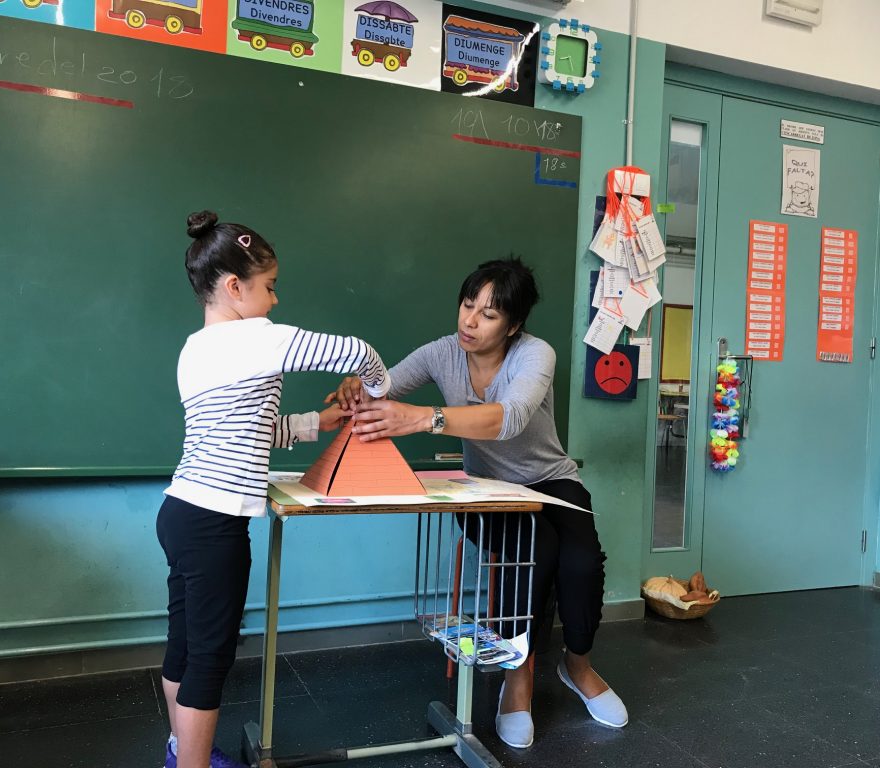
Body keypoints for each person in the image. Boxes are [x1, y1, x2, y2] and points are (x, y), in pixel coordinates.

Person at [328, 257, 626, 749]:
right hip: (485, 489)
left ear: (513, 325)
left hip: (551, 481)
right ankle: (517, 675)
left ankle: (578, 665)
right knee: (535, 550)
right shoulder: (441, 352)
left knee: (582, 561)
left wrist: (423, 418)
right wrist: (356, 389)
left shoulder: (536, 354)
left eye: (488, 314)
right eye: (468, 305)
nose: (470, 321)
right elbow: (382, 387)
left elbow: (508, 418)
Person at [157, 211, 392, 768]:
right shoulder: (259, 337)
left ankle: (180, 749)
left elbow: (251, 429)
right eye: (269, 286)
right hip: (215, 525)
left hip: (181, 512)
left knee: (184, 647)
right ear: (234, 287)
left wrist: (317, 422)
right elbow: (360, 353)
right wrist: (379, 391)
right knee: (209, 660)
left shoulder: (194, 349)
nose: (275, 299)